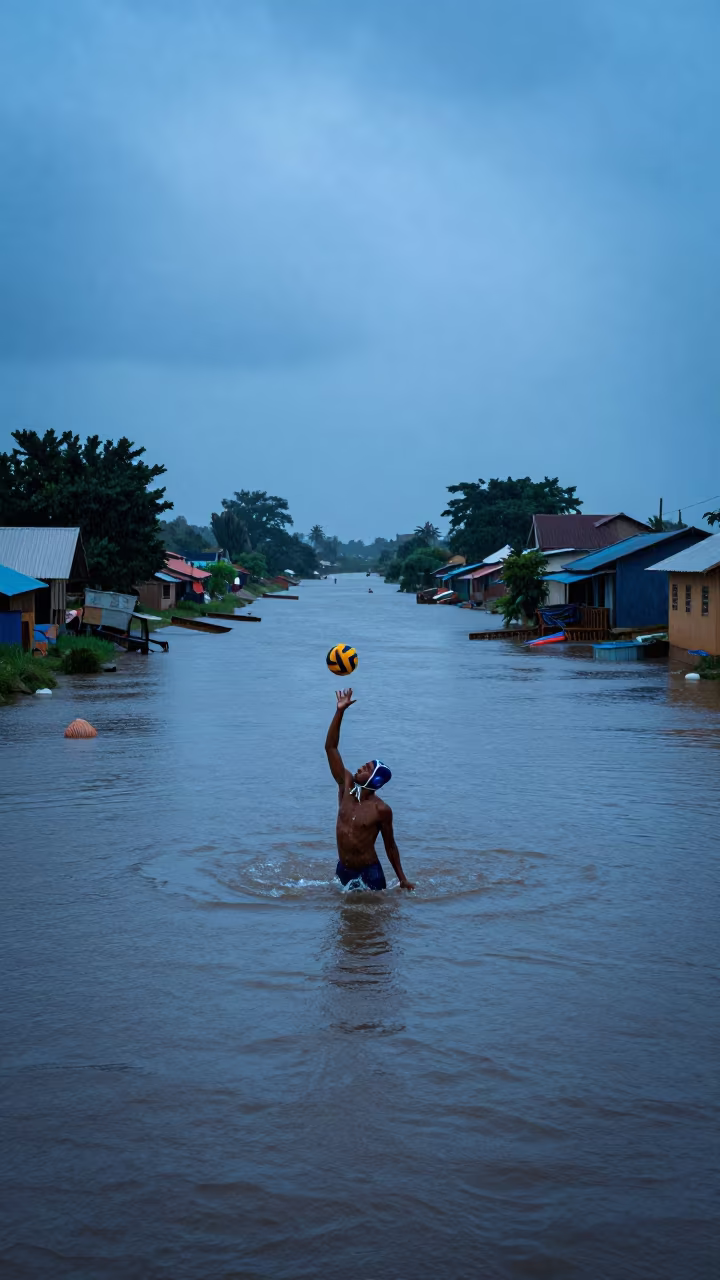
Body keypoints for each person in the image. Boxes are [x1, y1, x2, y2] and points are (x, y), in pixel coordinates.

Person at [325, 688, 414, 891]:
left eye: (367, 768)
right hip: (343, 869)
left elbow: (390, 846)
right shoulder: (345, 785)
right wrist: (340, 711)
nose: (360, 767)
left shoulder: (381, 810)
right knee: (343, 921)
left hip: (369, 874)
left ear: (375, 780)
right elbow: (330, 748)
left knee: (374, 920)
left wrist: (402, 879)